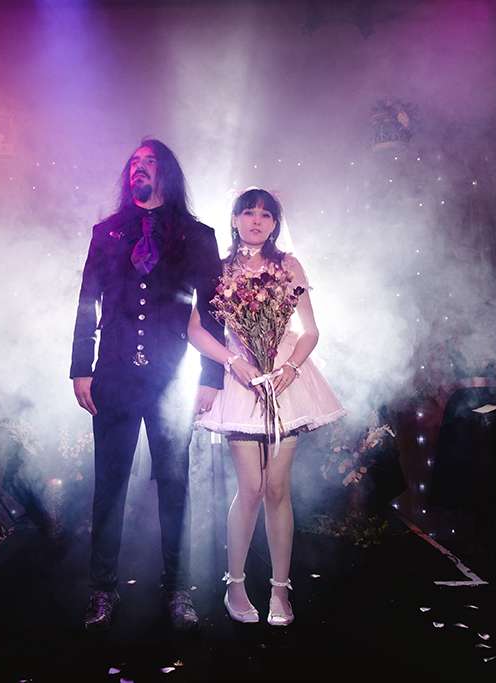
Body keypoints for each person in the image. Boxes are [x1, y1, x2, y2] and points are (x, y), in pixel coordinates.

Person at [70, 139, 225, 631]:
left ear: (167, 173)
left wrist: (212, 376)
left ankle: (178, 590)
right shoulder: (107, 232)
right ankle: (102, 589)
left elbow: (213, 311)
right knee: (108, 485)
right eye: (134, 163)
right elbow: (87, 301)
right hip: (113, 374)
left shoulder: (196, 235)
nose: (139, 168)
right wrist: (80, 366)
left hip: (171, 379)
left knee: (174, 485)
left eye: (149, 162)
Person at [190, 188, 344, 626]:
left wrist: (291, 367)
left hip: (283, 380)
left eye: (265, 215)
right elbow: (196, 330)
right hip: (242, 382)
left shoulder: (287, 265)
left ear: (275, 224)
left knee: (277, 488)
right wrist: (232, 361)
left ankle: (280, 590)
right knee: (252, 488)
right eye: (248, 213)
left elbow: (310, 330)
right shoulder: (219, 269)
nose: (256, 221)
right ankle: (235, 585)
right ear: (235, 219)